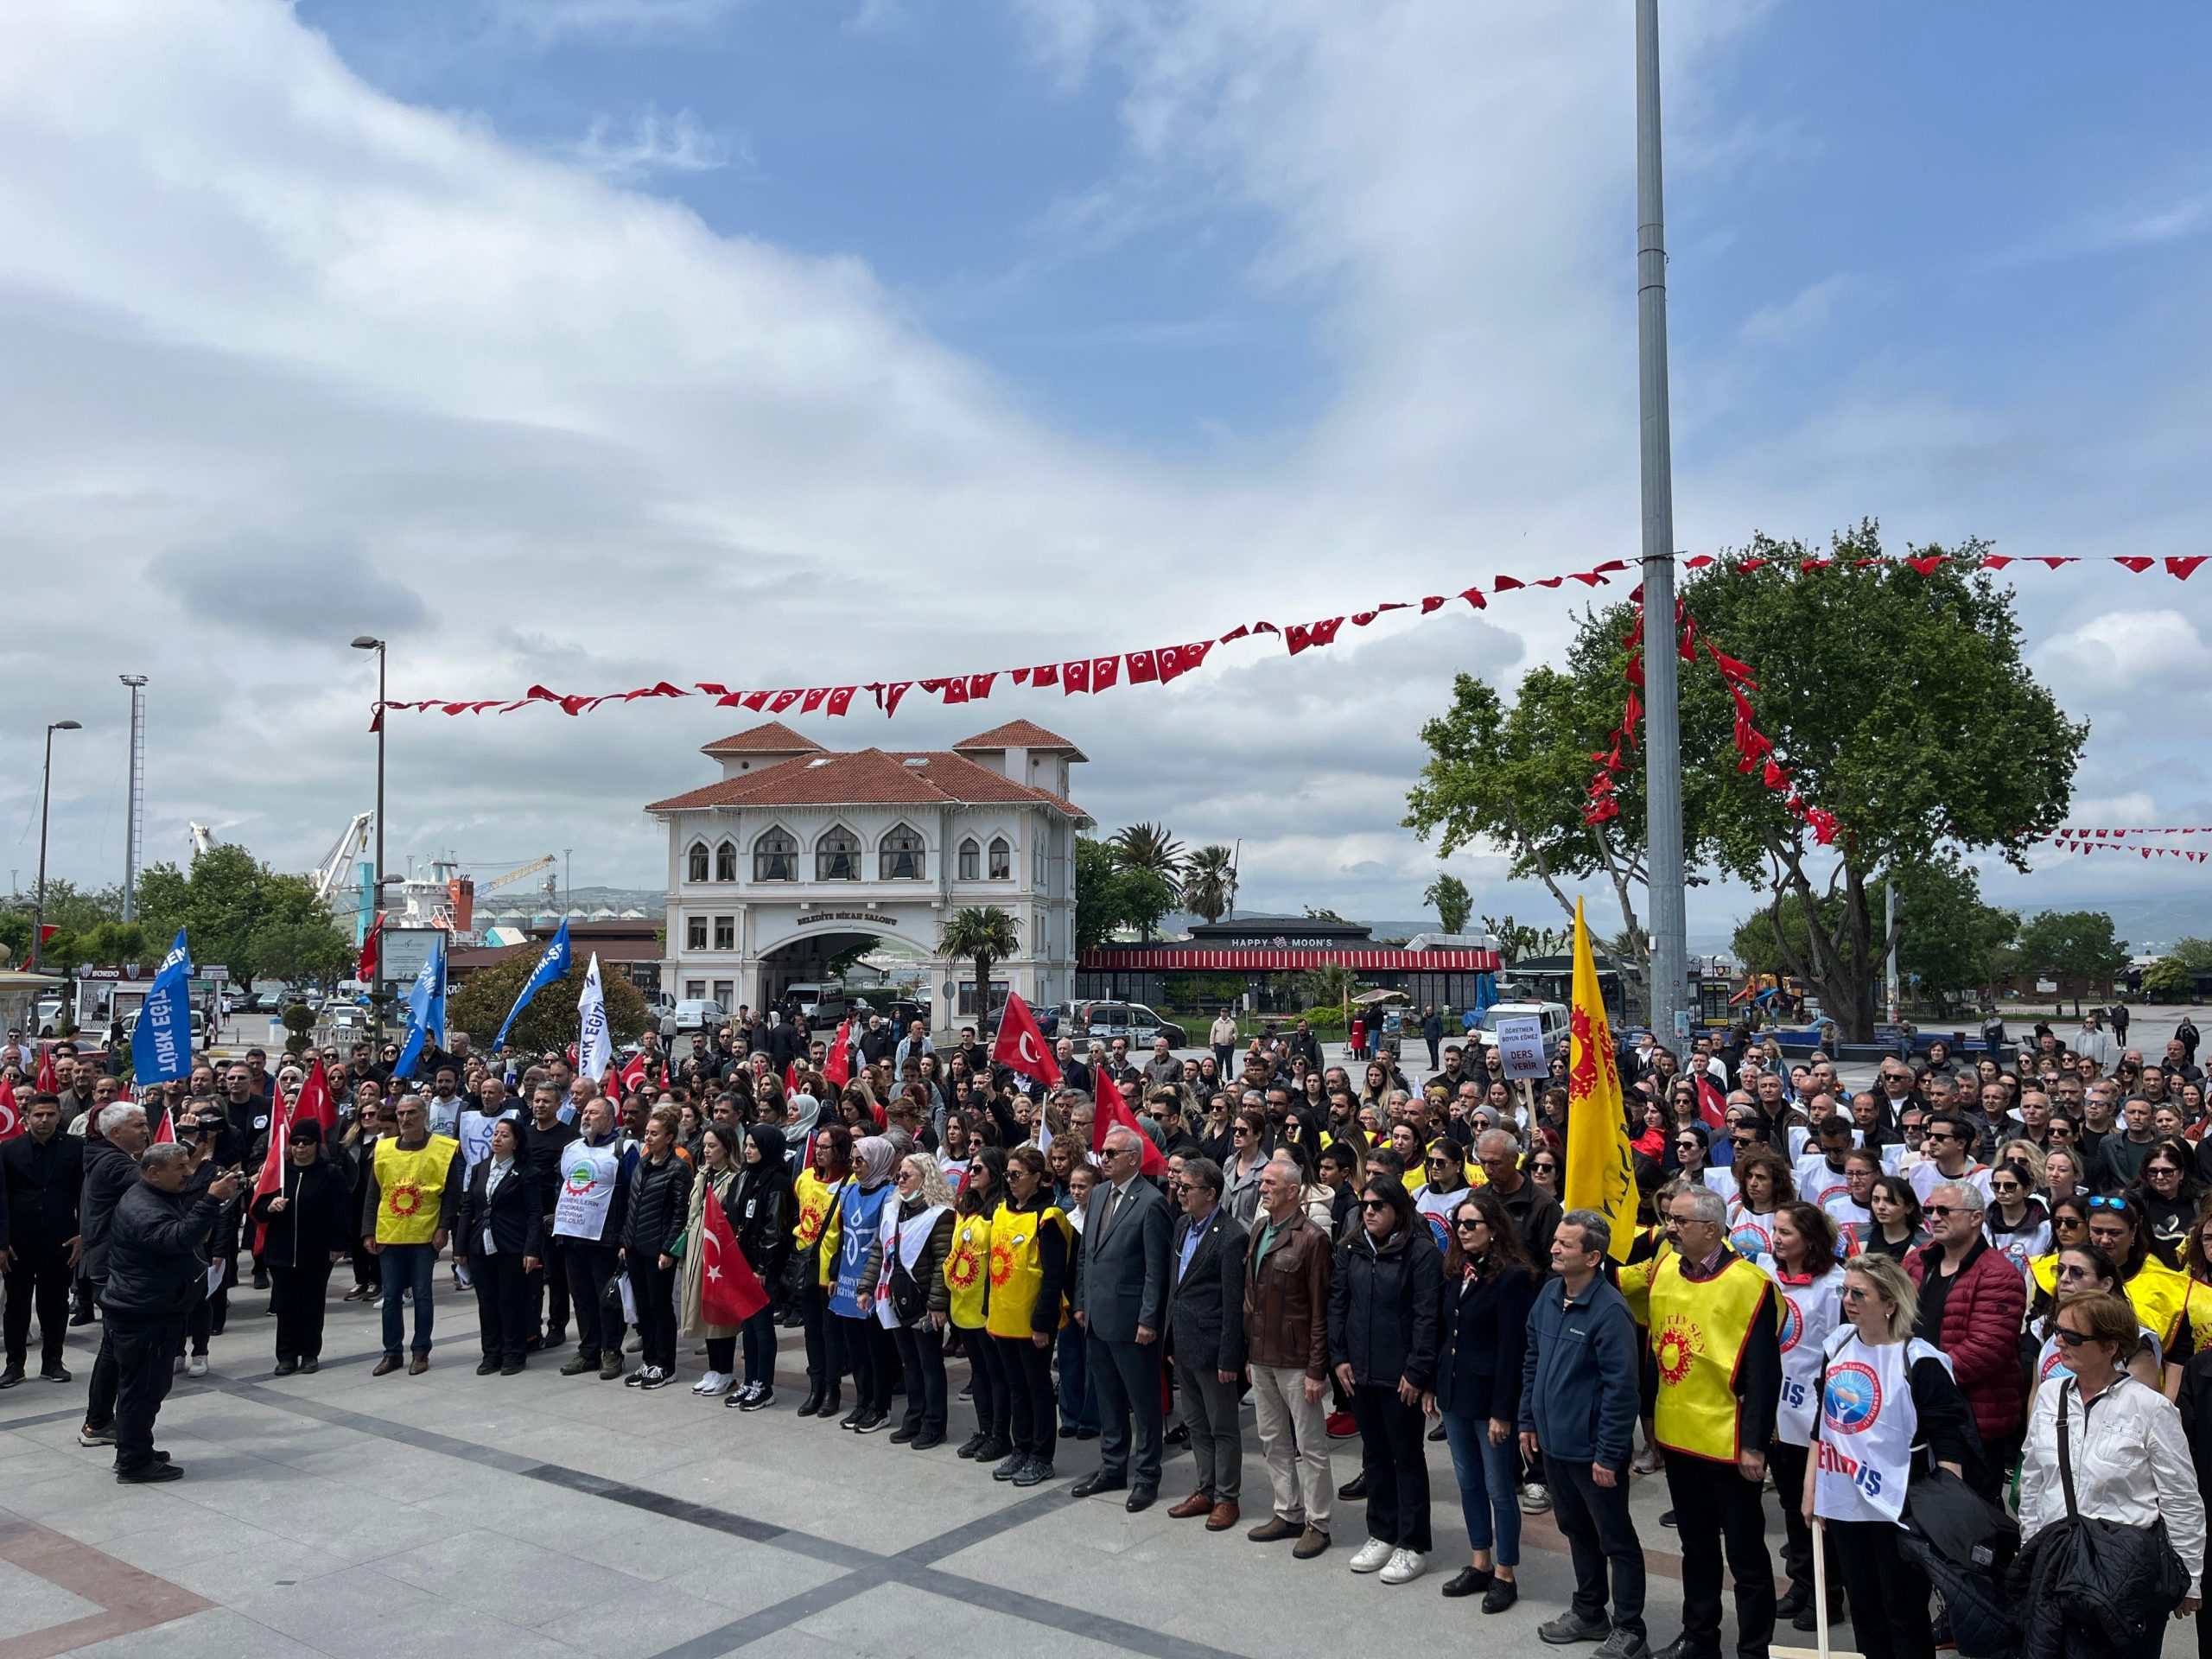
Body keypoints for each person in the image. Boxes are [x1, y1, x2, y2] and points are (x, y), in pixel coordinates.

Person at [1802, 1255, 1978, 1659]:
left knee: (1903, 1610)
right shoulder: (1838, 1345)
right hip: (1845, 1498)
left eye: (1859, 1293)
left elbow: (1947, 1439)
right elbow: (1822, 1423)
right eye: (1844, 1291)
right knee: (1863, 1606)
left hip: (1900, 1502)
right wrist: (1811, 1487)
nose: (1848, 1299)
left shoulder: (1920, 1360)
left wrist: (1947, 1512)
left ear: (1889, 1303)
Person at [2018, 1291, 2204, 1659]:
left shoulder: (2151, 1409)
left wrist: (2191, 1579)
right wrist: (2031, 1549)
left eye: (2073, 1336)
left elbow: (2180, 1498)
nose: (2058, 1341)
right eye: (2057, 1330)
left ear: (2109, 1346)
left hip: (2127, 1576)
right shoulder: (2050, 1395)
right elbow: (2034, 1480)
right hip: (2057, 1568)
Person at [1647, 1183, 1781, 1659]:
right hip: (1680, 1435)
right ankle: (1700, 1639)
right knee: (1696, 1548)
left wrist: (1753, 1445)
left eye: (1680, 1222)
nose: (1671, 1228)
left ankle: (1754, 1650)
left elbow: (1765, 1374)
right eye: (1670, 1220)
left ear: (1711, 1228)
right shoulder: (1665, 1268)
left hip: (1728, 1442)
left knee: (1746, 1557)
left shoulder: (1750, 1284)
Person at [1521, 1211, 1646, 1659]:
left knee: (1616, 1539)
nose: (1554, 1249)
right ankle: (1590, 1612)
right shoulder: (1550, 1295)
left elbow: (1621, 1390)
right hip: (1554, 1446)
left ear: (1593, 1257)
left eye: (1565, 1245)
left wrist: (1610, 1454)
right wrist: (1527, 1420)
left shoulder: (1611, 1311)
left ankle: (1630, 1628)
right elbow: (1532, 1357)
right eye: (1555, 1241)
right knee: (1576, 1529)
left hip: (1593, 1451)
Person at [1331, 1171, 1445, 1586]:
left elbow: (1428, 1317)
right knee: (1374, 1454)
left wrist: (1416, 1371)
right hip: (1359, 1373)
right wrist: (1339, 1358)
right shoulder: (1353, 1248)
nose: (1370, 1212)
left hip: (1401, 1377)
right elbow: (1337, 1304)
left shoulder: (1422, 1253)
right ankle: (1381, 1531)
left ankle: (1412, 1543)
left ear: (1399, 1209)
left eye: (1378, 1205)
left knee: (1406, 1457)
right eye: (1365, 1206)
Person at [103, 1143, 241, 1482]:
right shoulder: (143, 1208)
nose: (188, 1174)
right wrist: (211, 1201)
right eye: (181, 1168)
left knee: (148, 1387)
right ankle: (134, 1462)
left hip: (153, 1306)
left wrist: (217, 1195)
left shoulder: (155, 1195)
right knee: (142, 1390)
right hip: (143, 1312)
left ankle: (137, 1448)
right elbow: (176, 1238)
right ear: (153, 1172)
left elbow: (186, 1213)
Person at [1433, 1187, 1536, 1611]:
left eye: (1471, 1224)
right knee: (1468, 1483)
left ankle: (1505, 1573)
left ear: (1494, 1230)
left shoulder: (1512, 1277)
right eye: (1459, 1223)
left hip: (1490, 1400)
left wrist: (1503, 1412)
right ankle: (1479, 1562)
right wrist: (1434, 1387)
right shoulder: (1458, 1269)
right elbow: (1448, 1332)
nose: (1462, 1230)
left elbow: (1513, 1350)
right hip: (1456, 1394)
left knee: (1498, 1489)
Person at [1071, 1125, 1173, 1510]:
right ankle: (1113, 1467)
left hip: (1132, 1321)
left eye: (1112, 1153)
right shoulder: (1097, 1194)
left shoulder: (1151, 1202)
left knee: (1143, 1404)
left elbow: (1156, 1270)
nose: (1104, 1158)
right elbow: (1087, 1255)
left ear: (1134, 1157)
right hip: (1097, 1316)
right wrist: (1081, 1301)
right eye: (1103, 1152)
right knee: (1108, 1398)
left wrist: (1149, 1320)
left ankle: (1147, 1476)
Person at [1904, 1181, 2026, 1492]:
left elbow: (1985, 1350)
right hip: (1913, 1408)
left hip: (1970, 1417)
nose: (1934, 1217)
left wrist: (1918, 1378)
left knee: (1970, 1518)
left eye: (1944, 1210)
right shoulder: (1916, 1261)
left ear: (1976, 1217)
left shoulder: (1999, 1274)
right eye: (1929, 1210)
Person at [1761, 1204, 1845, 1633]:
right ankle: (1800, 1583)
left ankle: (1827, 1595)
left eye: (1786, 1232)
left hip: (1816, 1414)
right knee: (1792, 1504)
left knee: (1818, 1509)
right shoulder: (1767, 1276)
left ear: (1810, 1239)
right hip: (1777, 1410)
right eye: (1774, 1231)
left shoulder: (1837, 1285)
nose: (1776, 1239)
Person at [1165, 1154, 1249, 1529]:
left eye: (1187, 1188)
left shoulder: (1231, 1238)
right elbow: (1176, 1287)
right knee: (1196, 1424)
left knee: (1223, 1427)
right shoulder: (1183, 1225)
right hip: (1183, 1344)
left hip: (1214, 1348)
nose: (1180, 1192)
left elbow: (1233, 1305)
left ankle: (1228, 1497)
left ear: (1211, 1193)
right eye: (1179, 1186)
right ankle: (1205, 1488)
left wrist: (1230, 1357)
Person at [983, 1143, 1071, 1486]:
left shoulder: (1048, 1217)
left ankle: (1041, 1455)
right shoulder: (1002, 1212)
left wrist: (1042, 1323)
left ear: (1037, 1177)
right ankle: (1020, 1447)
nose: (1011, 1181)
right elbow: (994, 1265)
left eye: (1017, 1175)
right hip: (1003, 1317)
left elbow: (1053, 1277)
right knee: (1015, 1386)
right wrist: (989, 1313)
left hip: (1031, 1321)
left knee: (1037, 1389)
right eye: (1008, 1175)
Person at [360, 1095, 462, 1376]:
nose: (406, 1118)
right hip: (390, 1232)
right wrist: (368, 1230)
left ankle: (420, 1351)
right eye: (402, 1113)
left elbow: (452, 1196)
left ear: (424, 1115)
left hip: (424, 1233)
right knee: (391, 1297)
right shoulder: (383, 1149)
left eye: (412, 1113)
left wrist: (443, 1228)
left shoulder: (442, 1150)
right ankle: (392, 1352)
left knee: (422, 1295)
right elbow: (373, 1194)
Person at [249, 1120, 353, 1376]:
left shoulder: (329, 1173)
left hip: (315, 1252)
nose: (300, 1147)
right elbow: (257, 1210)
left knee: (312, 1305)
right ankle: (286, 1355)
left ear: (317, 1145)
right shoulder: (279, 1173)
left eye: (306, 1142)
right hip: (281, 1252)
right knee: (285, 1306)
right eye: (295, 1142)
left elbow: (341, 1212)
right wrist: (269, 1208)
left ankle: (309, 1353)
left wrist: (338, 1244)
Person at [75, 1101, 151, 1449]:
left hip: (108, 1262)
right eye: (139, 1125)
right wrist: (198, 1157)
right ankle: (101, 1421)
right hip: (113, 1266)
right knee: (120, 1346)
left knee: (113, 1343)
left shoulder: (105, 1157)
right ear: (116, 1132)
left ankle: (99, 1420)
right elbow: (159, 1185)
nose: (146, 1130)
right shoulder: (114, 1163)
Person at [1, 1091, 83, 1387]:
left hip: (61, 1239)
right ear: (27, 1118)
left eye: (50, 1114)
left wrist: (82, 1234)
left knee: (56, 1303)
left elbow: (84, 1195)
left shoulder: (76, 1148)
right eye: (38, 1115)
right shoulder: (8, 1150)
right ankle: (14, 1364)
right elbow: (2, 1197)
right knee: (17, 1305)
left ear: (59, 1116)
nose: (44, 1120)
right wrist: (2, 1241)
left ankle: (53, 1361)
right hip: (19, 1243)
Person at [874, 1152, 955, 1447]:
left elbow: (943, 1261)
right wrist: (866, 1287)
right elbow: (878, 1251)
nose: (900, 1180)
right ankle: (914, 1417)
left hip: (923, 1301)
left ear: (926, 1179)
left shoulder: (940, 1214)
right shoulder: (893, 1210)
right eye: (899, 1175)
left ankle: (934, 1424)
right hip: (897, 1298)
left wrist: (936, 1304)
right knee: (909, 1363)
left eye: (907, 1176)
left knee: (929, 1364)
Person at [451, 1116, 542, 1376]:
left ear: (516, 1142)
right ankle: (491, 1354)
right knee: (487, 1302)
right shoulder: (480, 1168)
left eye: (504, 1135)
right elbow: (469, 1207)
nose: (497, 1139)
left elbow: (534, 1213)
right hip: (481, 1244)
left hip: (512, 1244)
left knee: (510, 1301)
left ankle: (514, 1353)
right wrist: (459, 1247)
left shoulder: (526, 1172)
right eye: (496, 1134)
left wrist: (531, 1249)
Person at [553, 1098, 636, 1382]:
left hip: (606, 1238)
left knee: (608, 1298)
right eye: (585, 1112)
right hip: (573, 1236)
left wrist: (626, 1237)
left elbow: (632, 1195)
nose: (586, 1116)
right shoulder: (571, 1149)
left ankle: (611, 1351)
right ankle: (588, 1350)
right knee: (582, 1297)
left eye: (593, 1112)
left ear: (610, 1118)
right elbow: (561, 1186)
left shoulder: (624, 1150)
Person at [619, 1105, 692, 1391]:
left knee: (661, 1308)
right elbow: (632, 1205)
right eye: (647, 1132)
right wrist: (626, 1241)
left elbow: (678, 1213)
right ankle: (649, 1360)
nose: (648, 1138)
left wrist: (668, 1249)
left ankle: (665, 1364)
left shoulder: (677, 1168)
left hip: (658, 1249)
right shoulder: (642, 1162)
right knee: (643, 1308)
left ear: (670, 1137)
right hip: (636, 1246)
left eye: (654, 1133)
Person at [947, 1147, 1007, 1461]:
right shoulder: (965, 1207)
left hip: (987, 1307)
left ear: (995, 1174)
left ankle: (1000, 1434)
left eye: (978, 1169)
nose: (971, 1173)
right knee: (978, 1373)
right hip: (963, 1304)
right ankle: (984, 1430)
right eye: (970, 1168)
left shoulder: (1001, 1211)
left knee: (995, 1374)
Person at [727, 1123, 792, 1408]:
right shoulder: (744, 1177)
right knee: (749, 1329)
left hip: (761, 1270)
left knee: (763, 1327)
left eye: (754, 1146)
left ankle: (763, 1384)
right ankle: (749, 1380)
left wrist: (764, 1268)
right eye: (748, 1145)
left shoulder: (777, 1182)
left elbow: (774, 1230)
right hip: (741, 1266)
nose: (749, 1150)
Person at [680, 1122, 745, 1399]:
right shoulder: (703, 1175)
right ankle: (714, 1369)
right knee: (704, 1311)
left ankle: (726, 1372)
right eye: (704, 1145)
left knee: (721, 1316)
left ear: (727, 1148)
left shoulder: (735, 1178)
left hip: (719, 1255)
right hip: (698, 1249)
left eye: (712, 1146)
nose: (706, 1151)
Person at [790, 1124, 850, 1417]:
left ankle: (831, 1389)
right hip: (806, 1267)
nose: (819, 1152)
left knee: (831, 1333)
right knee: (811, 1331)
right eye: (818, 1147)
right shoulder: (803, 1179)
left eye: (825, 1147)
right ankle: (815, 1387)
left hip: (832, 1273)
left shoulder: (849, 1184)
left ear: (839, 1150)